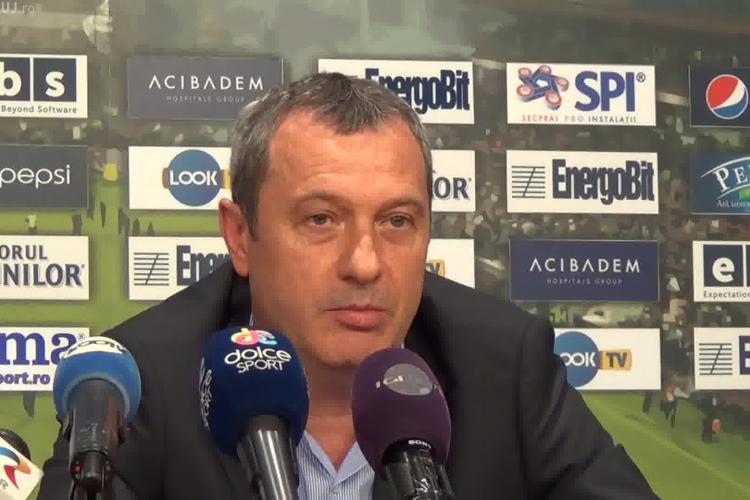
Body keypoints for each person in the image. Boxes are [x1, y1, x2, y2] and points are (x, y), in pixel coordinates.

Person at [38, 73, 656, 499]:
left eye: (396, 221)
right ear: (241, 235)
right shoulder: (138, 383)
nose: (365, 263)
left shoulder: (505, 365)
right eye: (321, 220)